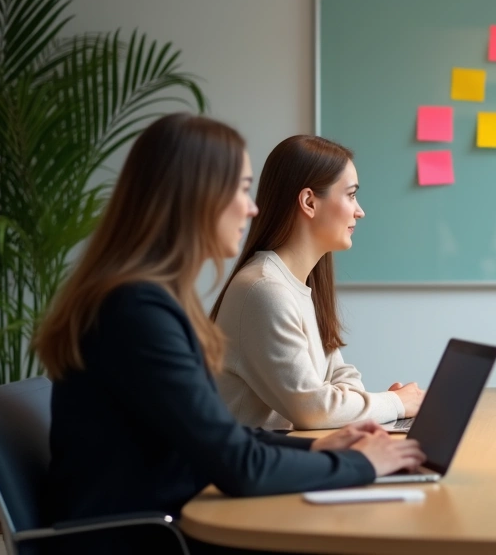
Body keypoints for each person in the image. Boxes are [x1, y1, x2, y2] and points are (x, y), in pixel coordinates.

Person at [36, 114, 424, 554]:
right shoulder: (136, 312)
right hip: (149, 536)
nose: (252, 207)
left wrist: (317, 450)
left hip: (168, 518)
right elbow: (239, 464)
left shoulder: (145, 300)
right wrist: (358, 464)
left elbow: (222, 433)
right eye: (241, 188)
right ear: (195, 196)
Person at [212, 135, 423, 430]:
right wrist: (396, 404)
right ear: (309, 202)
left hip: (284, 457)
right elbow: (312, 408)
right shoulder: (264, 290)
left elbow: (340, 377)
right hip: (247, 469)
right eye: (350, 195)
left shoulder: (296, 285)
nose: (359, 211)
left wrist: (368, 407)